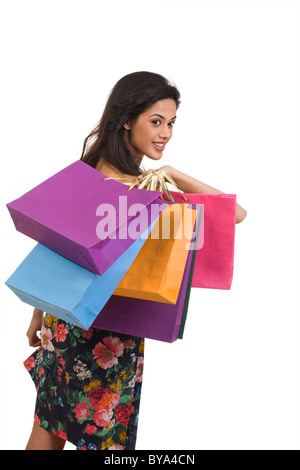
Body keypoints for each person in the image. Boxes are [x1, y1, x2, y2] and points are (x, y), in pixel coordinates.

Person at [25, 71, 247, 451]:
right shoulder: (134, 188)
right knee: (99, 439)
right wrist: (172, 175)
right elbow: (238, 215)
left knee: (51, 425)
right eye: (156, 121)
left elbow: (57, 246)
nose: (165, 133)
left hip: (77, 322)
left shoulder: (103, 174)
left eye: (171, 123)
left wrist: (37, 317)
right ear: (127, 120)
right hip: (103, 332)